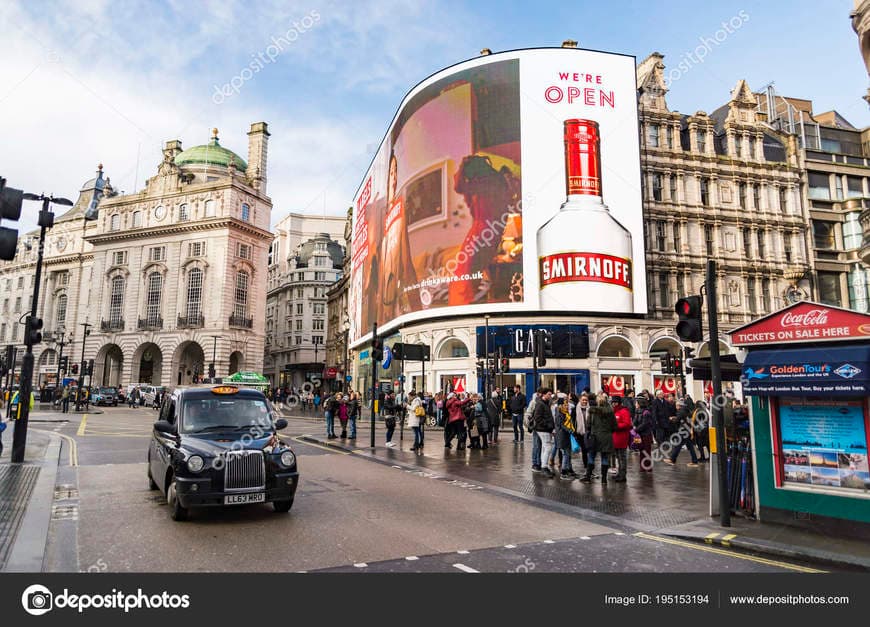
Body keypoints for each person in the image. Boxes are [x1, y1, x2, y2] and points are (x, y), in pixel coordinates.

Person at [581, 393, 617, 485]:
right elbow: (615, 426)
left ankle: (588, 477)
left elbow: (588, 425)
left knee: (591, 456)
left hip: (595, 437)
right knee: (604, 458)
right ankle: (604, 480)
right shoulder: (610, 412)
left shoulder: (592, 411)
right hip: (607, 437)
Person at [665, 399, 700, 467]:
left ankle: (672, 459)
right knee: (688, 446)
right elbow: (684, 419)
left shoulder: (681, 411)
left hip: (683, 430)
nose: (675, 407)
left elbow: (677, 420)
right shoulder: (686, 410)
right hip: (687, 430)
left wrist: (672, 419)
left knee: (679, 445)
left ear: (679, 405)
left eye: (676, 405)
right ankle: (694, 461)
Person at [530, 388, 555, 477]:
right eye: (549, 394)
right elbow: (538, 417)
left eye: (550, 394)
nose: (550, 396)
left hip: (544, 429)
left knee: (545, 448)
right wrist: (548, 425)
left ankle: (544, 466)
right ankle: (544, 467)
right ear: (544, 394)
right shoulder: (540, 404)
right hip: (542, 429)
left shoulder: (544, 403)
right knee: (548, 447)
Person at [554, 393, 577, 480]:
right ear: (560, 405)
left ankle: (568, 470)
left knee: (567, 454)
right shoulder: (559, 413)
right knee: (566, 454)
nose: (567, 405)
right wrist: (569, 430)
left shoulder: (565, 412)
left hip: (566, 436)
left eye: (567, 404)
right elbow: (561, 425)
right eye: (565, 404)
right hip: (562, 436)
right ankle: (563, 472)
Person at [611, 396, 633, 483]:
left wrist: (616, 426)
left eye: (615, 402)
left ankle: (623, 475)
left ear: (619, 402)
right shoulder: (614, 411)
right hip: (615, 438)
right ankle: (619, 473)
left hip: (622, 438)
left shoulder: (624, 411)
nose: (614, 404)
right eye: (613, 402)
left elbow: (627, 424)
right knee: (618, 458)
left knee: (622, 458)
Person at [633, 394, 655, 472]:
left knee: (646, 451)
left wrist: (635, 430)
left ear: (640, 403)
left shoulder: (646, 412)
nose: (635, 404)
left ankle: (648, 467)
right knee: (641, 450)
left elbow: (645, 424)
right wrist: (634, 426)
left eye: (636, 403)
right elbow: (635, 422)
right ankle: (642, 467)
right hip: (639, 435)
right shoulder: (637, 411)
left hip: (646, 434)